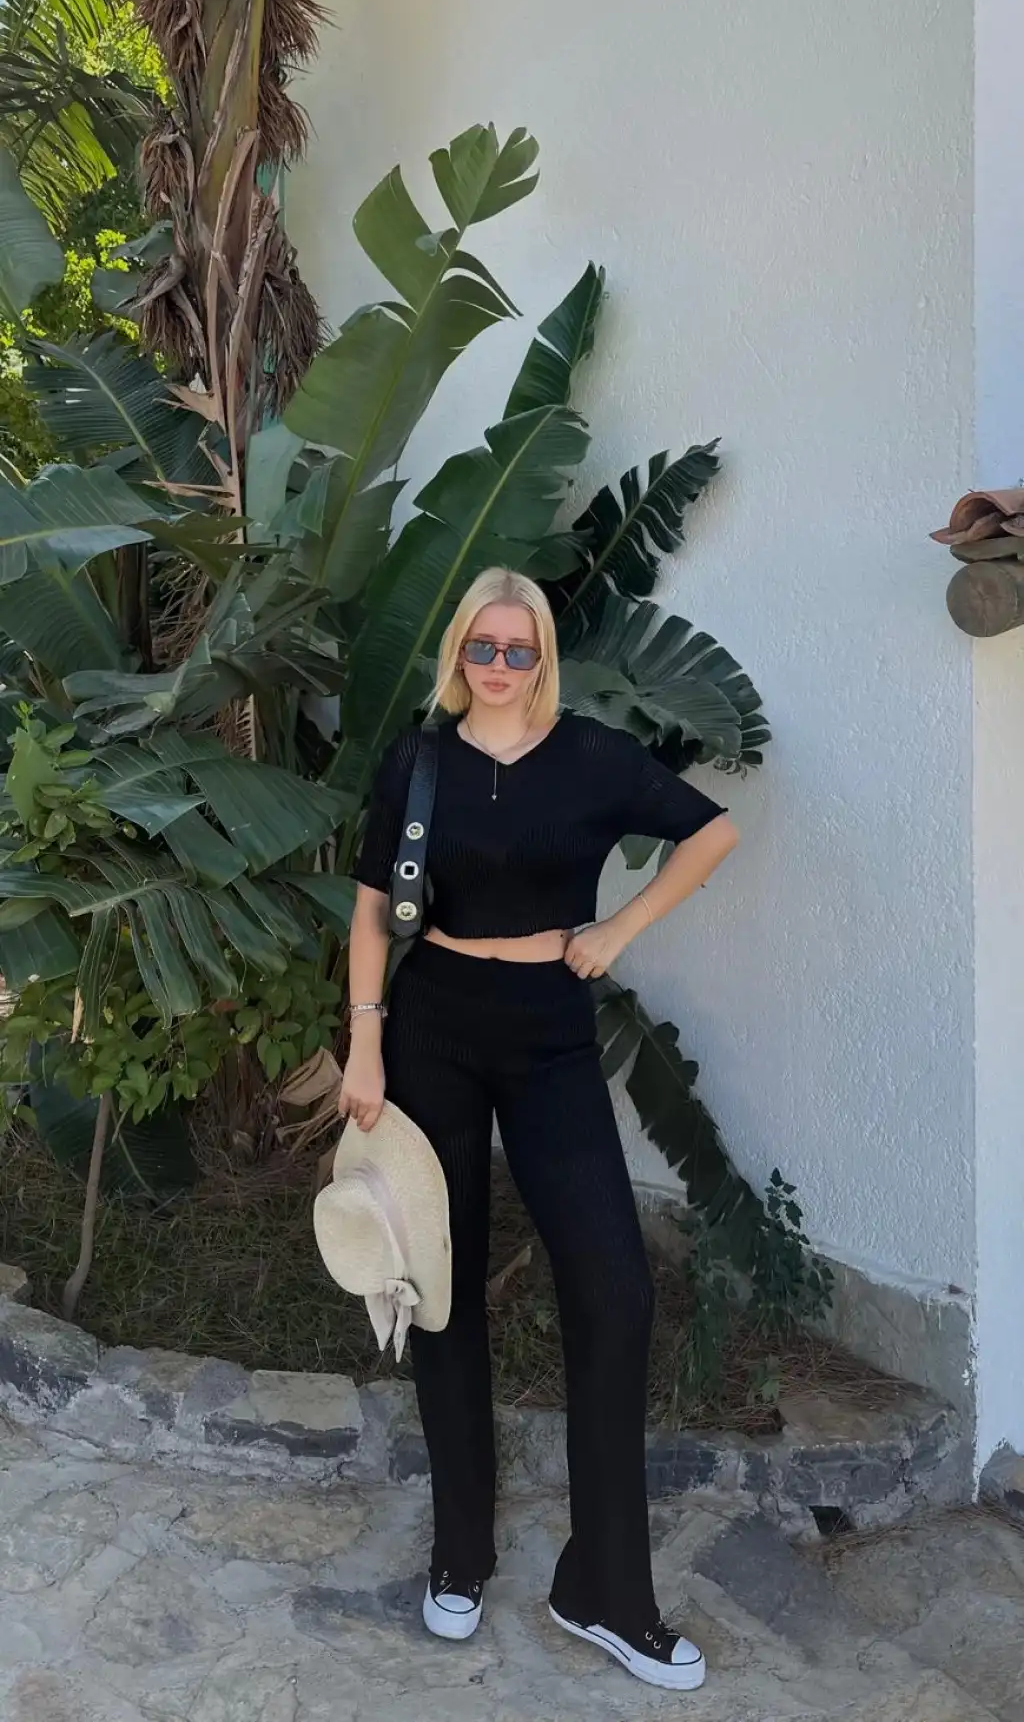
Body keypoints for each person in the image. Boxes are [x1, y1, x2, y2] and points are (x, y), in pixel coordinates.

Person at [341, 566, 739, 1693]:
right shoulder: (419, 761)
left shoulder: (593, 756)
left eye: (520, 649)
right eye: (483, 645)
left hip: (551, 1032)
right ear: (458, 651)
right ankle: (460, 1551)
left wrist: (618, 929)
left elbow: (711, 832)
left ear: (544, 658)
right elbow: (371, 911)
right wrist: (365, 1039)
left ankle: (604, 1587)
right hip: (433, 1025)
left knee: (615, 1288)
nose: (500, 666)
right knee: (441, 1286)